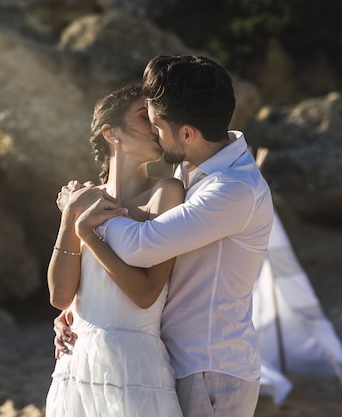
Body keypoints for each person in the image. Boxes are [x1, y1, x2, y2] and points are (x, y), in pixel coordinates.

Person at [54, 55, 274, 417]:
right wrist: (83, 309)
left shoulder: (233, 189)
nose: (153, 132)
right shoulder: (194, 164)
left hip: (210, 367)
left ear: (188, 133)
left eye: (156, 123)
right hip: (174, 360)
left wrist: (83, 213)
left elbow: (141, 247)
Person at [45, 83, 185, 417]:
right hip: (77, 363)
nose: (155, 126)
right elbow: (60, 296)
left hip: (135, 364)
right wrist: (69, 218)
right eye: (143, 117)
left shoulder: (166, 193)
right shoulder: (82, 200)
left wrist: (88, 233)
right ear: (111, 133)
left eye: (156, 118)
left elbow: (147, 293)